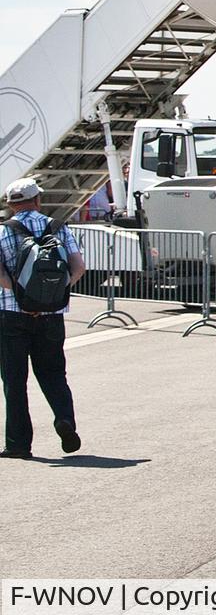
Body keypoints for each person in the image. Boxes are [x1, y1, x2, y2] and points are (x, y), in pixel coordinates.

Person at [0, 177, 85, 458]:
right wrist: (53, 295)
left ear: (11, 205)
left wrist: (24, 296)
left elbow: (1, 276)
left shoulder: (3, 232)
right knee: (53, 373)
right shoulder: (58, 227)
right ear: (38, 200)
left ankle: (18, 445)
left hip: (12, 314)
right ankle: (64, 419)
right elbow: (78, 268)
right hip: (52, 315)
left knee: (14, 380)